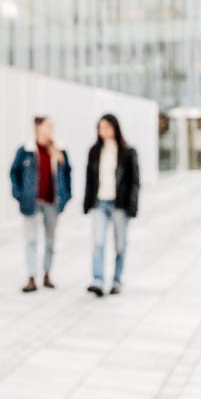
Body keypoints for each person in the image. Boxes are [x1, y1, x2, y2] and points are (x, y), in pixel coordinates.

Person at [10, 116, 73, 293]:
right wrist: (19, 194)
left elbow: (67, 173)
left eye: (51, 127)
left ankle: (47, 273)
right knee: (31, 239)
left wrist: (66, 196)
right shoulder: (26, 150)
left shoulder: (59, 150)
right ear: (37, 127)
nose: (50, 130)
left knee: (50, 240)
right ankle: (31, 276)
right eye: (47, 126)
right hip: (32, 201)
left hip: (52, 201)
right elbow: (14, 172)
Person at [83, 114, 139, 297]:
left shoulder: (127, 151)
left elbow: (134, 182)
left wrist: (132, 207)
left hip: (119, 204)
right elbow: (90, 180)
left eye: (107, 127)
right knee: (98, 242)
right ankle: (97, 280)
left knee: (120, 245)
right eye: (100, 127)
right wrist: (87, 203)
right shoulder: (94, 151)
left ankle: (117, 280)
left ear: (115, 128)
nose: (103, 131)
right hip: (100, 203)